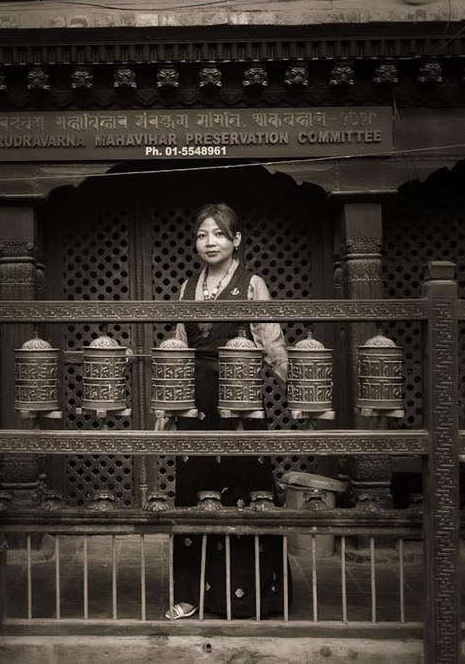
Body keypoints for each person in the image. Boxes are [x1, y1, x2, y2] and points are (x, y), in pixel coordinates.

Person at [166, 202, 289, 620]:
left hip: (242, 400)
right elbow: (179, 351)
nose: (209, 241)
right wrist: (168, 404)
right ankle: (190, 595)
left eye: (218, 233)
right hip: (196, 403)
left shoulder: (252, 284)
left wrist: (301, 390)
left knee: (248, 488)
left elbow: (271, 342)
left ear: (236, 240)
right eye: (202, 234)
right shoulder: (186, 289)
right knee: (195, 489)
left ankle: (255, 597)